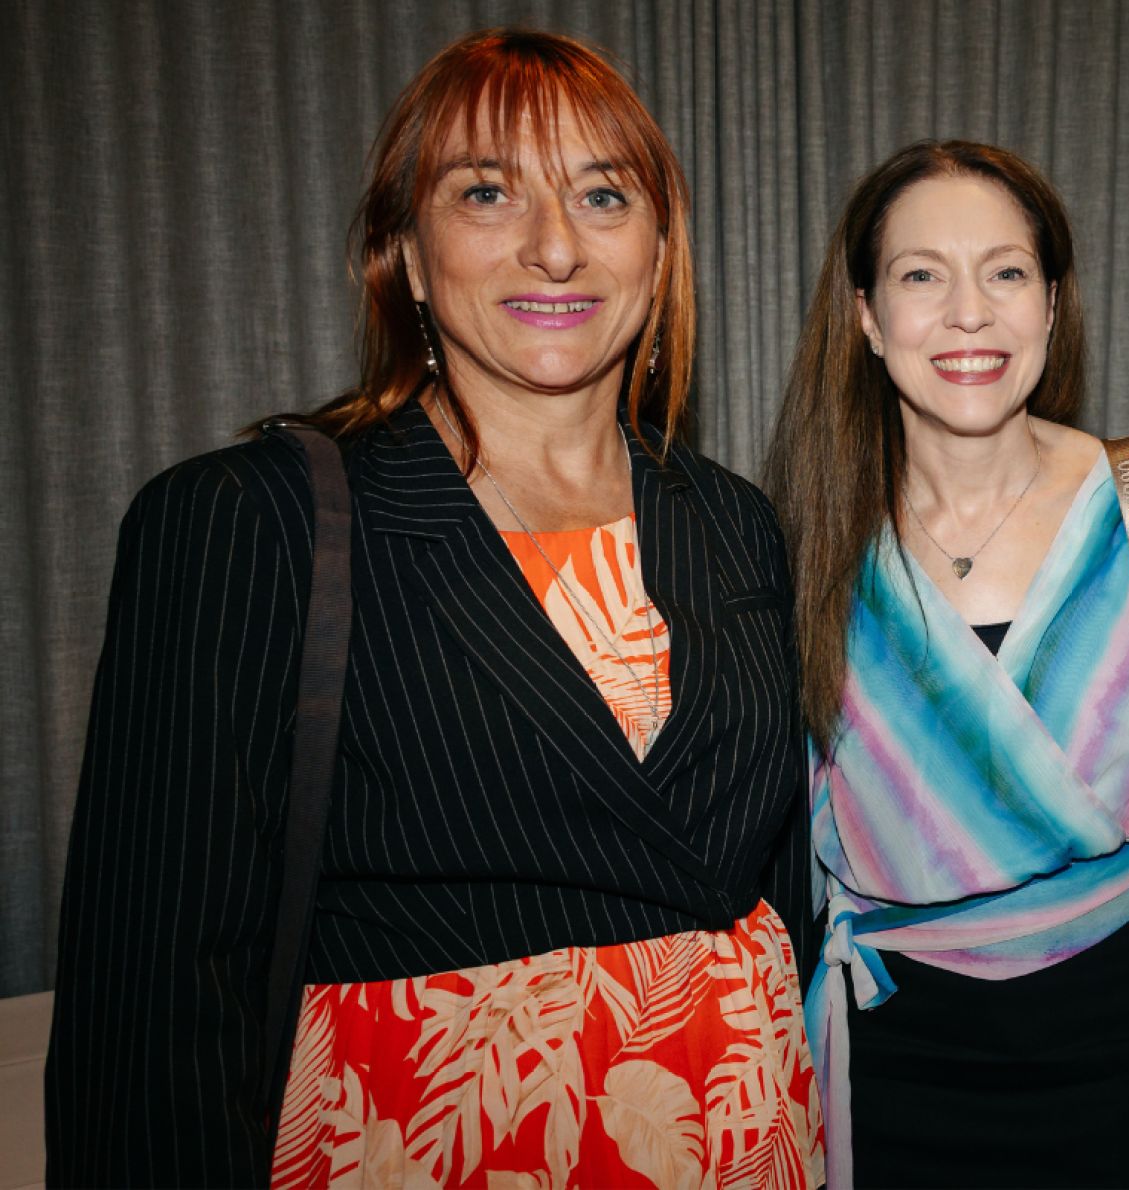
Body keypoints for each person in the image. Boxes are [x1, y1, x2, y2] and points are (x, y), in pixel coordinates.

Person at [47, 28, 821, 1188]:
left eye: (602, 195)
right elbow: (152, 995)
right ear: (406, 254)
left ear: (660, 253)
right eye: (488, 192)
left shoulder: (736, 519)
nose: (554, 246)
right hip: (435, 1141)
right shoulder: (250, 520)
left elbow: (782, 882)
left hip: (744, 1134)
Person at [764, 140, 1129, 1188]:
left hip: (1126, 1046)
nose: (968, 311)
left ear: (1053, 305)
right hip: (896, 1058)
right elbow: (783, 834)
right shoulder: (808, 536)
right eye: (922, 275)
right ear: (868, 318)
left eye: (1007, 272)